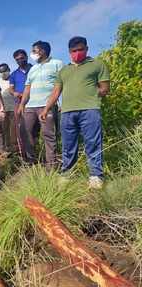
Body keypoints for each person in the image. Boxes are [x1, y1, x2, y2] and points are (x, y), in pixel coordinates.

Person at [39, 36, 110, 189]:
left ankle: (95, 176)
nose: (77, 53)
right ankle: (67, 174)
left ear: (86, 49)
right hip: (67, 113)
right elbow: (56, 92)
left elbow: (104, 89)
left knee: (92, 143)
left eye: (80, 50)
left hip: (90, 110)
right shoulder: (64, 70)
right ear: (69, 52)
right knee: (68, 145)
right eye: (74, 51)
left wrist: (91, 94)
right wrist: (46, 109)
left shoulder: (97, 65)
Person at [18, 41, 63, 169]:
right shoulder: (33, 68)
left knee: (48, 135)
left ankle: (51, 166)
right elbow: (27, 88)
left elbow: (59, 86)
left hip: (46, 106)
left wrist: (52, 105)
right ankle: (32, 162)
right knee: (26, 134)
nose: (32, 53)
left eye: (34, 51)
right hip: (30, 107)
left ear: (42, 51)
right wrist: (22, 105)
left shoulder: (57, 64)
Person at [9, 49, 33, 158]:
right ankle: (24, 155)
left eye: (21, 58)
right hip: (19, 103)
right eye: (17, 59)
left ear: (26, 57)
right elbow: (11, 89)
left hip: (34, 102)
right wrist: (14, 93)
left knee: (34, 129)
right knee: (21, 129)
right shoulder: (14, 74)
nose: (20, 60)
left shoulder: (34, 69)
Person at [0, 63, 17, 152]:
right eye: (1, 71)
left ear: (9, 70)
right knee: (3, 130)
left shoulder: (14, 80)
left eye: (5, 71)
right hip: (3, 110)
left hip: (13, 109)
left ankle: (15, 150)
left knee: (14, 131)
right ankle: (5, 149)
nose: (3, 73)